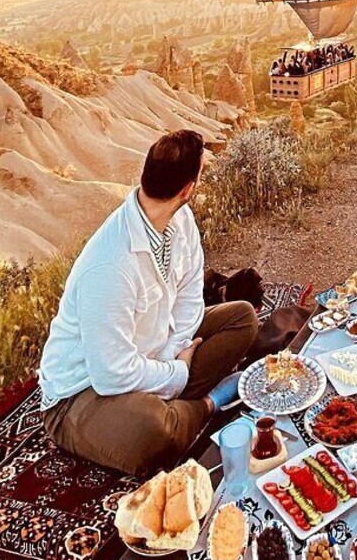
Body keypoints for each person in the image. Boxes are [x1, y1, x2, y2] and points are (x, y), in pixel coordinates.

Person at [39, 130, 259, 477]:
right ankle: (208, 403)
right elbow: (110, 374)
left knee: (242, 319)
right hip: (84, 392)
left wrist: (174, 350)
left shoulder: (181, 221)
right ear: (187, 189)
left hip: (155, 352)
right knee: (152, 431)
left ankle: (173, 406)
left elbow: (189, 297)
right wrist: (178, 371)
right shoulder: (110, 265)